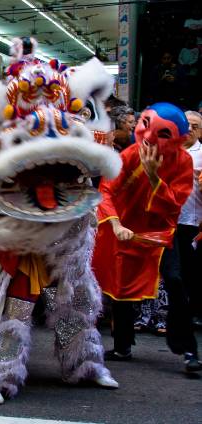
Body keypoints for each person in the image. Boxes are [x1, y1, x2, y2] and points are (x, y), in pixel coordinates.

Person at [93, 103, 201, 373]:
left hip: (162, 233)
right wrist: (116, 224)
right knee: (121, 289)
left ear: (179, 138)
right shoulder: (128, 155)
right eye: (145, 124)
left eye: (163, 134)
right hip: (127, 231)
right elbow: (106, 191)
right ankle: (122, 345)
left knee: (175, 282)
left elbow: (173, 205)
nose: (150, 136)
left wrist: (154, 178)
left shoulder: (183, 161)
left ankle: (188, 349)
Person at [179, 111, 202, 327]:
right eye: (187, 124)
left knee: (191, 270)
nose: (190, 129)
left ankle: (193, 312)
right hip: (168, 221)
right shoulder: (168, 150)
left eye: (196, 126)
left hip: (192, 221)